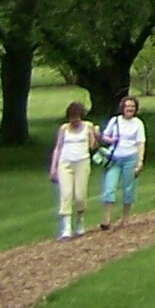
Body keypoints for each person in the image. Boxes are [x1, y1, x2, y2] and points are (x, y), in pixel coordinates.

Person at [48, 100, 99, 240]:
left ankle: (80, 220)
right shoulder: (64, 129)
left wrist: (94, 135)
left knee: (80, 195)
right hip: (65, 163)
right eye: (72, 118)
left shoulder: (87, 126)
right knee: (66, 194)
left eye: (77, 117)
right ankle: (66, 228)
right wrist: (53, 167)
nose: (75, 121)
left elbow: (93, 147)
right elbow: (58, 148)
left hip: (82, 162)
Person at [97, 93, 147, 230]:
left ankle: (125, 219)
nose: (130, 109)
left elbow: (140, 143)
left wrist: (140, 161)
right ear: (122, 108)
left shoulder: (138, 124)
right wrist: (111, 140)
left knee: (129, 188)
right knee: (109, 187)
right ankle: (106, 220)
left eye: (132, 106)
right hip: (114, 159)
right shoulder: (115, 121)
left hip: (130, 158)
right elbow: (104, 136)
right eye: (127, 106)